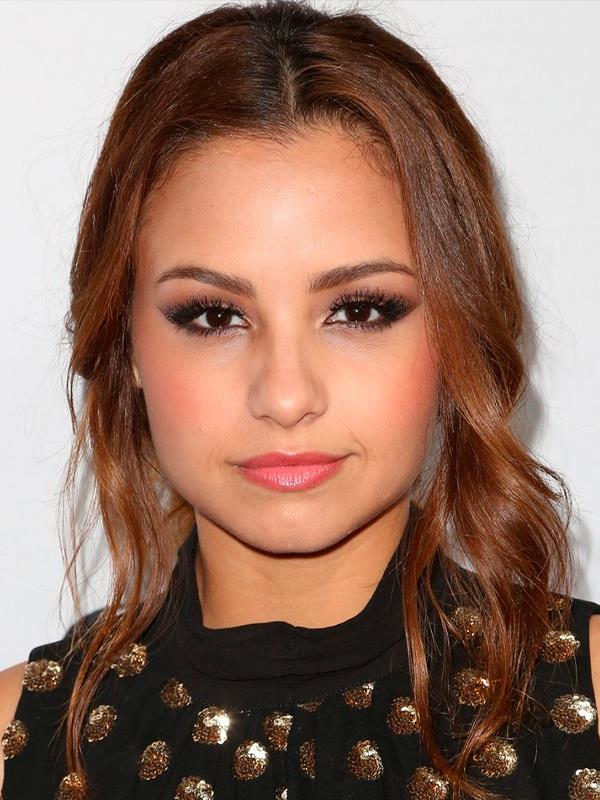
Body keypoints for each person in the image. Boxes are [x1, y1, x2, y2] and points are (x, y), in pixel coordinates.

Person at [1, 0, 599, 798]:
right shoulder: (15, 746)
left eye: (360, 310)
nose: (286, 397)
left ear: (455, 329)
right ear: (125, 342)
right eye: (213, 317)